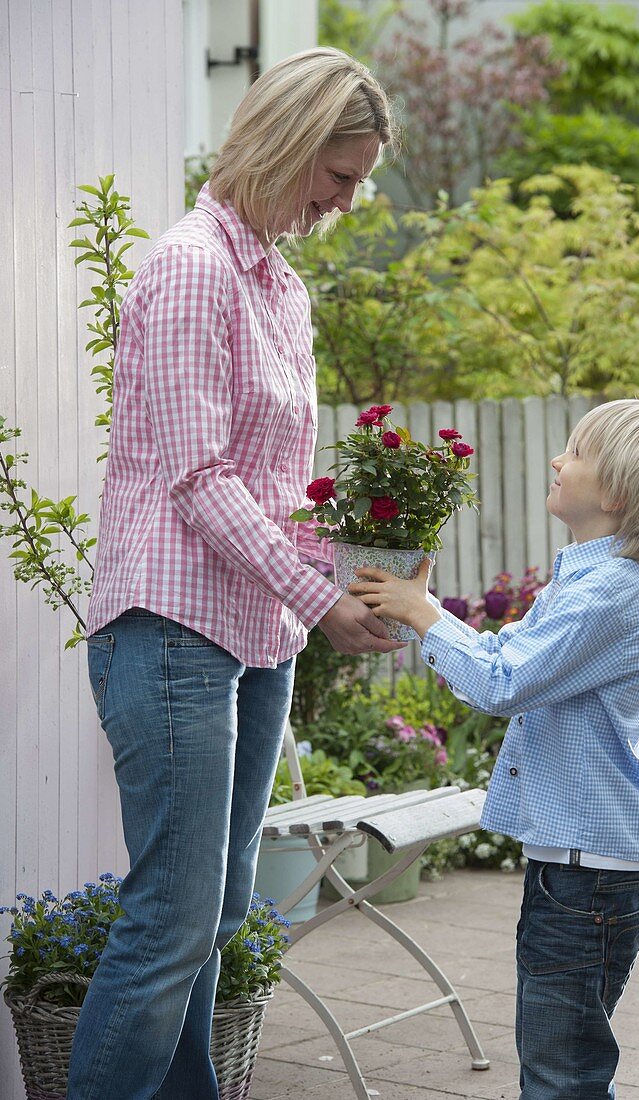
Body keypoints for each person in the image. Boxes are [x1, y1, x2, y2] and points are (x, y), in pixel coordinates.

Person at [68, 48, 403, 1100]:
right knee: (170, 923)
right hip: (169, 628)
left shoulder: (280, 284)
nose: (343, 203)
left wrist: (355, 579)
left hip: (256, 637)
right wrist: (322, 597)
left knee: (212, 921)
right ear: (287, 141)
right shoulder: (190, 266)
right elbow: (198, 478)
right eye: (337, 177)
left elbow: (271, 489)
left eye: (355, 184)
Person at [349, 399, 639, 1099]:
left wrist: (425, 616)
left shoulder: (607, 593)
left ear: (615, 493)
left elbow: (501, 683)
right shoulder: (585, 581)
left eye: (576, 451)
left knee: (562, 1076)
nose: (558, 459)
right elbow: (503, 653)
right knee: (561, 1061)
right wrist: (423, 612)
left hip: (589, 883)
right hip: (578, 872)